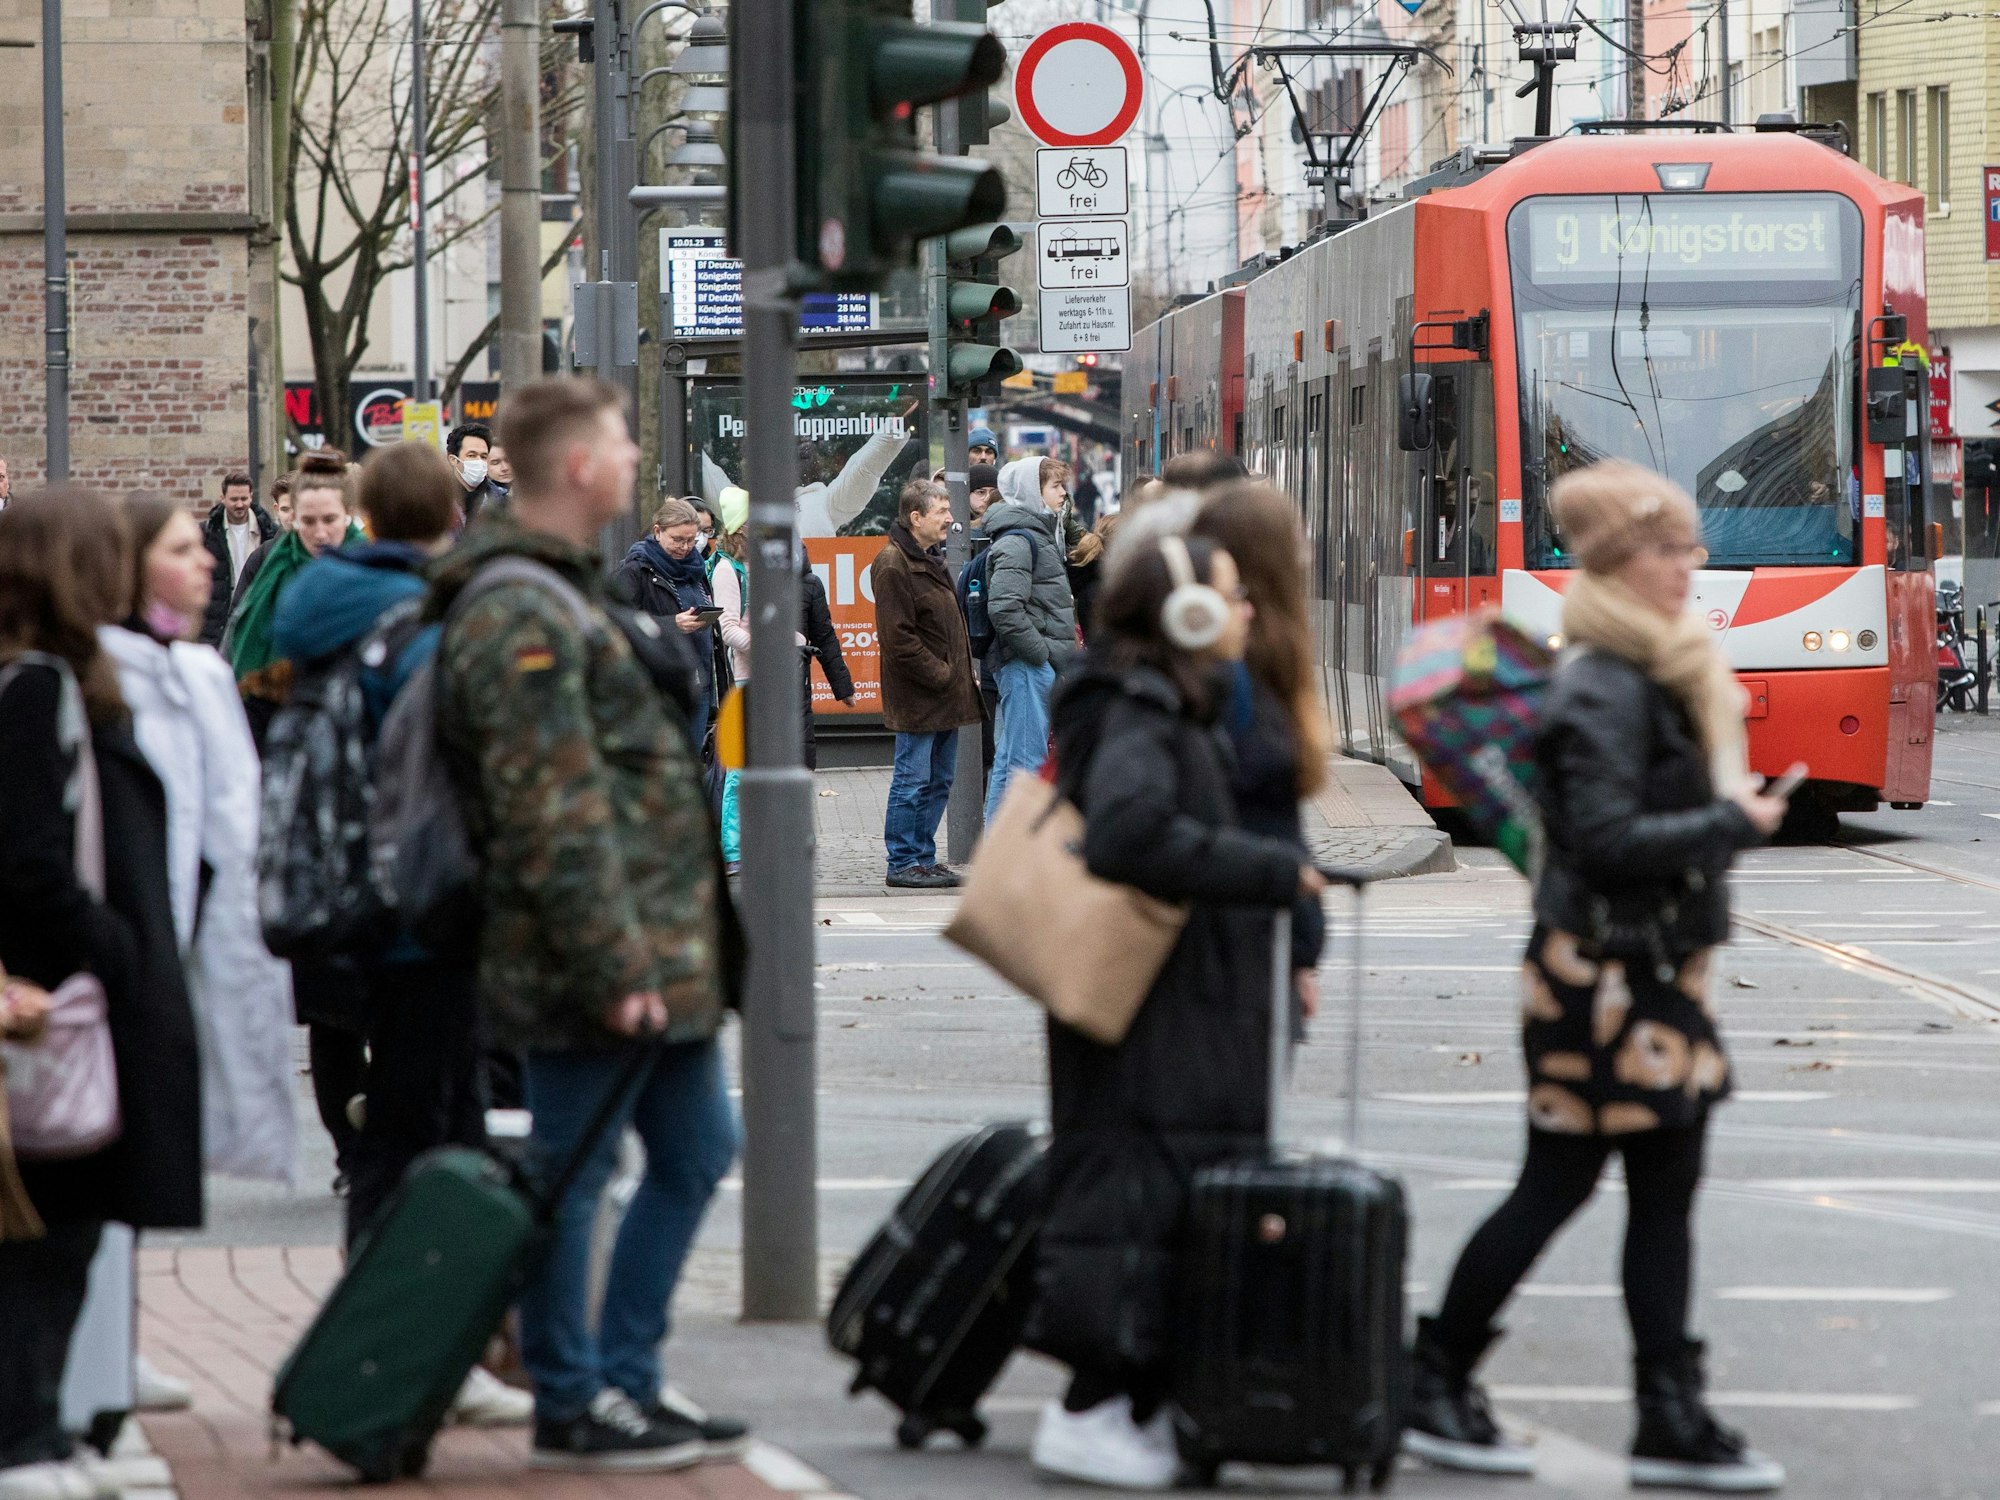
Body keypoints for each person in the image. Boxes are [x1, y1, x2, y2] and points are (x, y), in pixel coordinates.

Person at [1402, 460, 1789, 1492]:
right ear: (1620, 564)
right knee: (1561, 1181)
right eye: (1670, 550)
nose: (1689, 567)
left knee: (1654, 1193)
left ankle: (1663, 1410)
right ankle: (1436, 1375)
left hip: (1649, 967)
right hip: (1602, 972)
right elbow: (1603, 835)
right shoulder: (1602, 685)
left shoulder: (1646, 667)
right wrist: (1728, 821)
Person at [432, 377, 744, 1470]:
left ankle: (624, 1376)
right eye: (618, 442)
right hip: (588, 954)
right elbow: (547, 807)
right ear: (577, 466)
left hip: (650, 943)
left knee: (697, 1150)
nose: (632, 460)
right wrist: (614, 959)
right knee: (578, 1165)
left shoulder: (563, 589)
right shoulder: (517, 604)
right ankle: (573, 1393)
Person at [1026, 533, 1323, 1490]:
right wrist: (1271, 871)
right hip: (1155, 1000)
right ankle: (1092, 1410)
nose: (1245, 614)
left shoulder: (1157, 700)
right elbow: (1130, 832)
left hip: (1177, 999)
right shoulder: (1142, 707)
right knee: (1134, 1192)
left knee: (1158, 1193)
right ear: (1187, 613)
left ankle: (1130, 1402)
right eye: (1230, 598)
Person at [0, 488, 204, 1500]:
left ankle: (42, 1427)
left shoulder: (63, 678)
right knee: (50, 1221)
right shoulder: (38, 686)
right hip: (64, 1002)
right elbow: (33, 857)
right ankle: (22, 1436)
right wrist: (112, 951)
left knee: (65, 1220)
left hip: (80, 986)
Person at [102, 492, 301, 1416]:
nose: (209, 564)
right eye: (185, 550)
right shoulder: (91, 677)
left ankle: (108, 1342)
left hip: (181, 937)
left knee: (138, 1147)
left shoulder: (199, 675)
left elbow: (228, 820)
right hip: (116, 948)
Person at [1189, 482, 1334, 1029]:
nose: (1307, 552)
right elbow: (1254, 825)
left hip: (1251, 945)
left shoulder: (1254, 666)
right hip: (1231, 952)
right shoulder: (1233, 677)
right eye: (1295, 538)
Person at [872, 480, 980, 888]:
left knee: (937, 781)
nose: (951, 519)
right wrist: (942, 673)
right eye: (941, 512)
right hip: (920, 695)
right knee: (912, 780)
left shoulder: (927, 557)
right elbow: (897, 638)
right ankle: (902, 861)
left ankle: (922, 857)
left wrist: (951, 676)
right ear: (916, 518)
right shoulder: (892, 563)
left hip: (943, 694)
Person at [226, 450, 361, 749]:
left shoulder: (368, 567)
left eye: (330, 519)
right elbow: (243, 644)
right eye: (308, 521)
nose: (320, 532)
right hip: (279, 724)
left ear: (348, 515)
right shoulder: (273, 568)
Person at [981, 456, 1080, 823]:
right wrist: (1040, 654)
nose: (1063, 493)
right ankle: (1015, 865)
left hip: (1030, 662)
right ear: (1030, 491)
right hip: (1026, 664)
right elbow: (1005, 607)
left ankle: (996, 855)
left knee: (1011, 762)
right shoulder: (1021, 541)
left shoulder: (1033, 535)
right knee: (1027, 766)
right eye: (1055, 486)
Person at [613, 499, 723, 736]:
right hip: (659, 685)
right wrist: (671, 624)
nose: (685, 547)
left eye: (691, 540)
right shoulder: (636, 570)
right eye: (677, 539)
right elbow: (618, 622)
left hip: (698, 680)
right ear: (657, 532)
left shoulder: (697, 569)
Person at [708, 488, 752, 869]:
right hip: (743, 680)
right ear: (740, 530)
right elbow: (729, 631)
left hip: (757, 679)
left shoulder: (748, 567)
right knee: (738, 770)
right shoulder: (727, 570)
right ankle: (733, 850)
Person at [199, 469, 279, 646]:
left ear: (251, 496)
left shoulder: (268, 532)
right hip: (216, 621)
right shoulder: (207, 534)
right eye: (234, 499)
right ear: (223, 498)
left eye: (244, 498)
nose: (240, 504)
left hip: (254, 614)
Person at [799, 550, 853, 770]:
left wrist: (843, 688)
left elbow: (824, 637)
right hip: (752, 679)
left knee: (800, 756)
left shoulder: (809, 583)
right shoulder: (743, 574)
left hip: (795, 682)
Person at [448, 421, 504, 524]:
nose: (479, 461)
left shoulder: (502, 502)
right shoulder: (436, 502)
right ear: (453, 460)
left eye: (483, 456)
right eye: (471, 455)